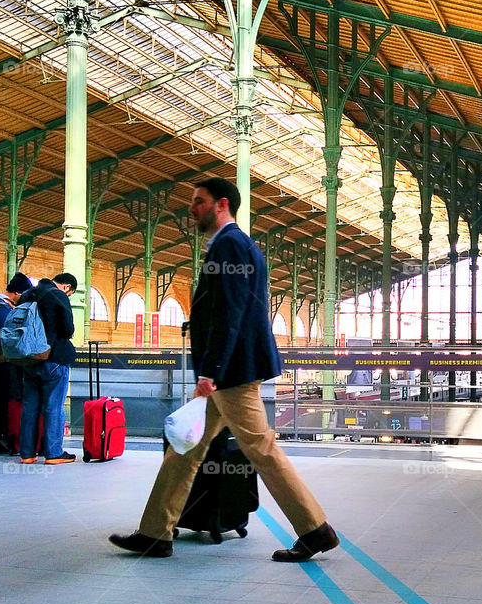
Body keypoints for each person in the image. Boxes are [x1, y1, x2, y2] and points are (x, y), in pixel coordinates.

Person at [110, 177, 338, 560]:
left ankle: (315, 529)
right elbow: (225, 308)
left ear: (221, 205)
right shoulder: (236, 244)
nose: (192, 207)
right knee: (185, 449)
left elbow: (230, 312)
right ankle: (155, 533)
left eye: (199, 201)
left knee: (261, 451)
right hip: (231, 369)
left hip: (230, 373)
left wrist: (209, 372)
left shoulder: (230, 244)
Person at [17, 273, 78, 465]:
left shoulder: (27, 294)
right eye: (70, 294)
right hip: (54, 358)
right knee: (54, 407)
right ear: (67, 287)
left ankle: (27, 454)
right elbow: (68, 330)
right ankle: (53, 453)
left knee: (30, 407)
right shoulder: (58, 295)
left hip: (29, 359)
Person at [0, 272, 33, 455]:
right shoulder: (0, 308)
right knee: (1, 400)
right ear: (17, 293)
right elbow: (7, 335)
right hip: (0, 361)